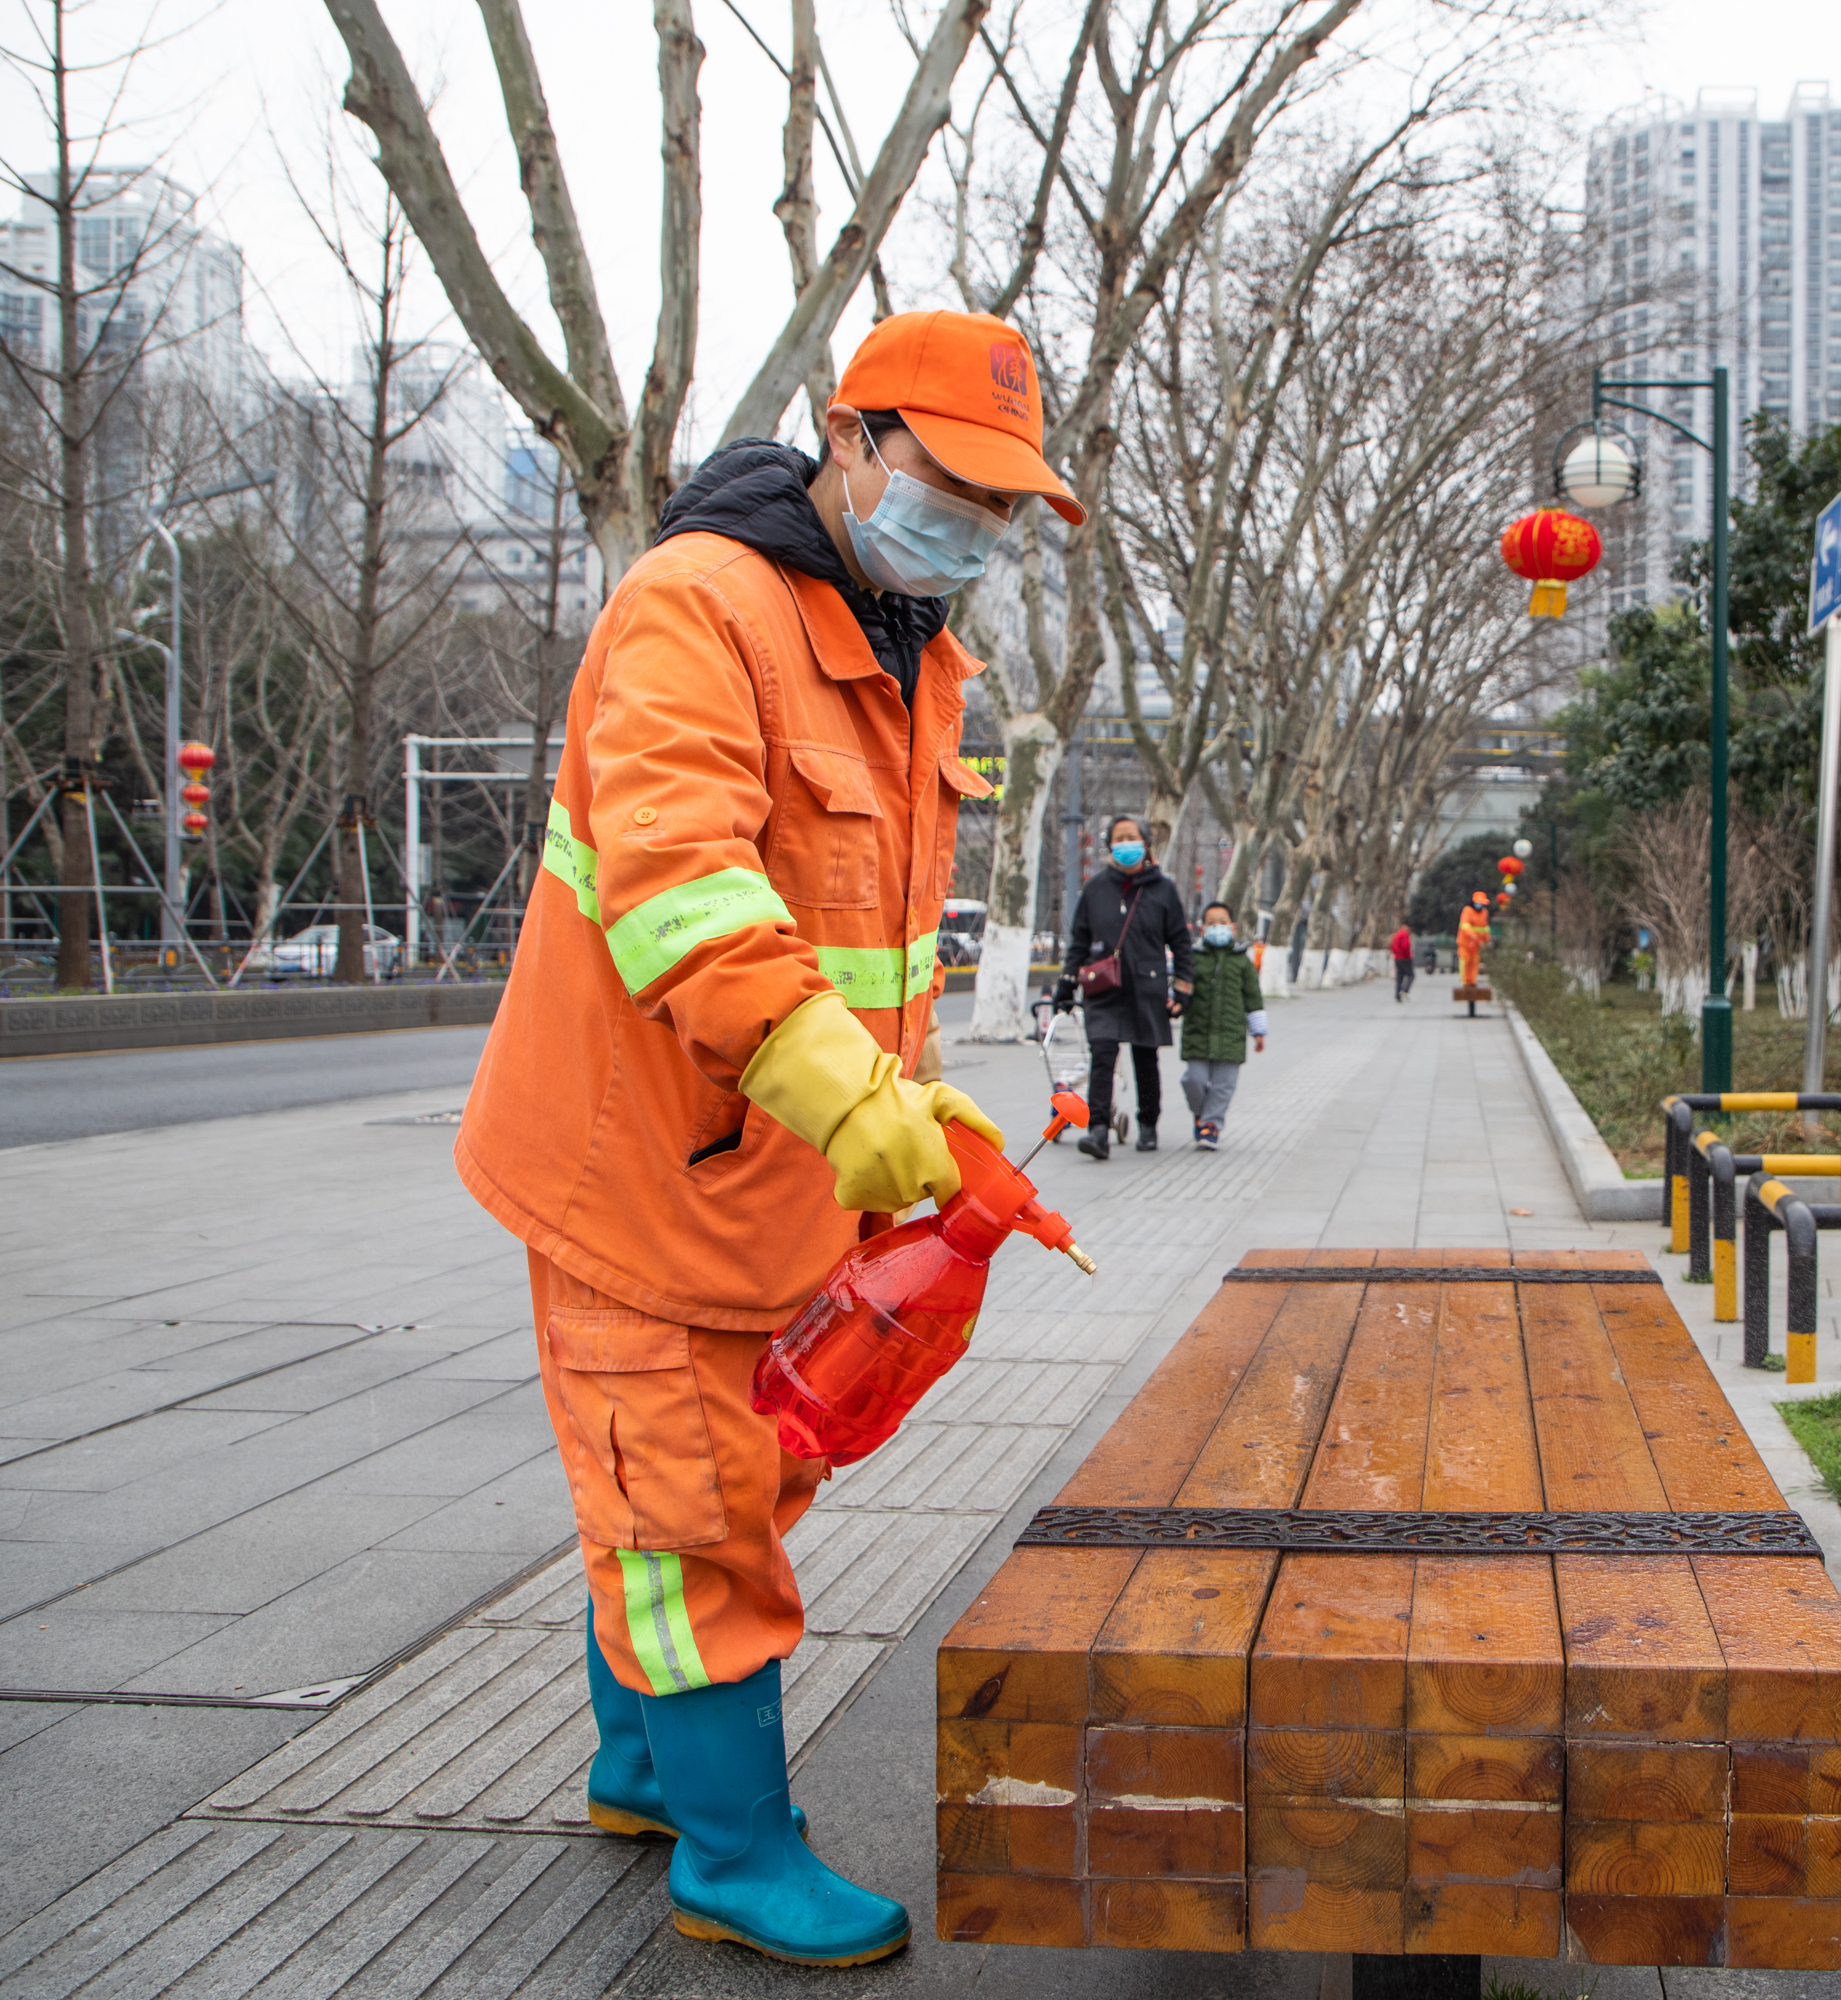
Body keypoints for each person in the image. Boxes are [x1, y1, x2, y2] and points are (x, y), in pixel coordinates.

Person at [454, 309, 1080, 1968]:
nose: (982, 533)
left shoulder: (913, 648)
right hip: (634, 1172)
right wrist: (854, 1096)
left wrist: (908, 1096)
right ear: (851, 437)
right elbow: (687, 895)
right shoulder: (695, 608)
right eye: (958, 486)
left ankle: (641, 1765)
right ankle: (734, 1850)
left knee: (741, 1479)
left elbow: (873, 934)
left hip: (780, 1172)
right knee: (686, 1518)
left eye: (1008, 509)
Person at [1059, 816, 1193, 1158]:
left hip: (1147, 986)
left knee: (1145, 1058)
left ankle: (1148, 1124)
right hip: (1103, 987)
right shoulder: (1096, 889)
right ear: (1110, 846)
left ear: (1145, 844)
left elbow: (1180, 942)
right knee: (1102, 1056)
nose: (1125, 843)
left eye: (1131, 837)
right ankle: (1098, 1130)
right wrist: (1067, 980)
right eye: (1118, 838)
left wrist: (1182, 988)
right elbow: (1079, 939)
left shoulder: (1162, 889)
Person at [1178, 902, 1267, 1149]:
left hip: (1231, 1034)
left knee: (1223, 1085)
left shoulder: (1242, 962)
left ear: (1233, 927)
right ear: (1202, 929)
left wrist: (1258, 1032)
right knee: (1193, 1080)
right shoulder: (1194, 959)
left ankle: (1211, 1125)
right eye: (1211, 923)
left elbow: (1253, 997)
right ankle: (1202, 1114)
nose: (1217, 927)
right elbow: (1182, 988)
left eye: (1222, 922)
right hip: (1198, 1031)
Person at [1389, 920, 1415, 1002]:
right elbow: (1405, 946)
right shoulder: (1404, 934)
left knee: (1399, 977)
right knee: (1411, 975)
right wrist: (1408, 956)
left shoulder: (1397, 933)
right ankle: (1405, 990)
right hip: (1405, 958)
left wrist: (1396, 954)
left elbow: (1392, 945)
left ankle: (1397, 995)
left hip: (1397, 958)